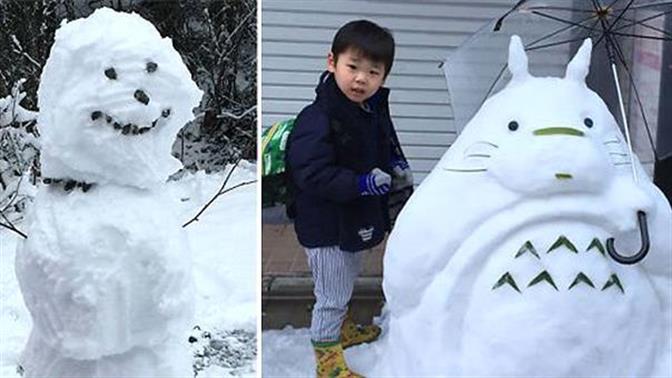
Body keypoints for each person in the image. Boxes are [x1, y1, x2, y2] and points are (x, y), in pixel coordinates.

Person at [286, 19, 412, 378]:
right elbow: (310, 172)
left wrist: (394, 164)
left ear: (384, 77)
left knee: (346, 277)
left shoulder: (368, 111)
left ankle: (341, 329)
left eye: (373, 71)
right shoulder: (318, 117)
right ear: (332, 62)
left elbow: (377, 149)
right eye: (353, 67)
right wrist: (360, 184)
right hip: (326, 226)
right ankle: (327, 360)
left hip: (354, 220)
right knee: (331, 294)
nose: (361, 78)